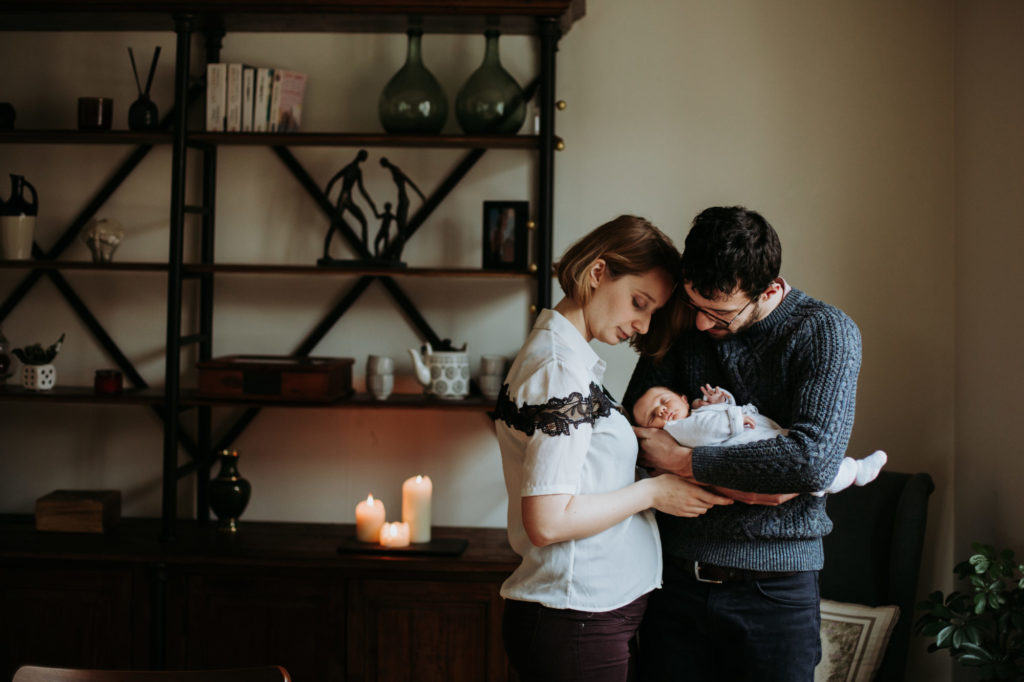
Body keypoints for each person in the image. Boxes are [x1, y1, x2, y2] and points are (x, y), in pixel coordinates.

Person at [622, 205, 863, 682]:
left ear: (770, 290)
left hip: (776, 592)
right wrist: (759, 479)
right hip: (673, 580)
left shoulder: (826, 333)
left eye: (720, 314)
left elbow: (810, 464)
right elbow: (636, 435)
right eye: (694, 305)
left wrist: (682, 459)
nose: (701, 325)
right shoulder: (683, 321)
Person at [491, 215, 735, 682]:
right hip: (575, 617)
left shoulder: (570, 362)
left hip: (585, 616)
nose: (641, 324)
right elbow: (546, 521)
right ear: (598, 272)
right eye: (639, 303)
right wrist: (655, 493)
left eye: (652, 312)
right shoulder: (559, 370)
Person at [632, 384, 887, 496]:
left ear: (683, 399)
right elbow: (703, 431)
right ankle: (853, 471)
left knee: (798, 453)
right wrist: (731, 418)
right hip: (750, 447)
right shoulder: (678, 429)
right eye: (653, 416)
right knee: (813, 475)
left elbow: (713, 417)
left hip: (764, 435)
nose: (662, 411)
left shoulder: (697, 412)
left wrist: (723, 401)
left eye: (664, 402)